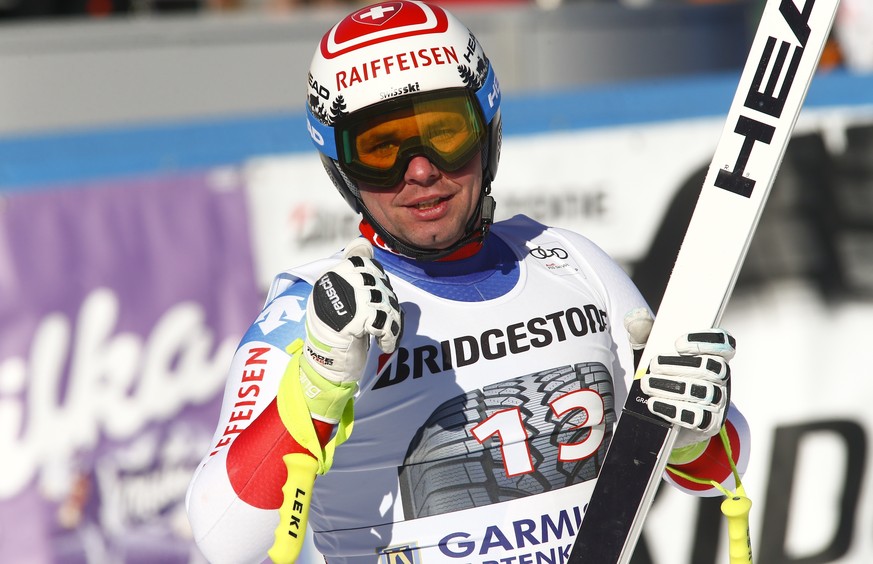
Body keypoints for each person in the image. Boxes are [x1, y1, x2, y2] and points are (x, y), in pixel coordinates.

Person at [185, 1, 749, 562]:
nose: (421, 170)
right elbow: (222, 538)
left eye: (443, 132)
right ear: (341, 167)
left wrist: (693, 432)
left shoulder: (573, 263)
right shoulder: (318, 311)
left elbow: (719, 472)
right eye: (381, 148)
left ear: (487, 129)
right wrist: (319, 382)